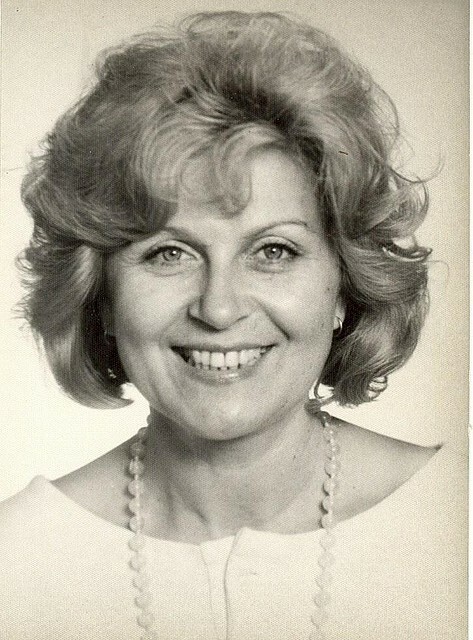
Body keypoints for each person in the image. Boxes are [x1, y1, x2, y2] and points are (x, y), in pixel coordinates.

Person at [0, 11, 465, 640]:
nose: (218, 309)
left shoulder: (453, 522)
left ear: (344, 286)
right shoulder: (18, 559)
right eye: (169, 253)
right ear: (102, 298)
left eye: (273, 251)